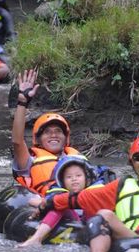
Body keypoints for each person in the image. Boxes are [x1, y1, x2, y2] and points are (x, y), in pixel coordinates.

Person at [41, 79, 139, 252]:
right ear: (132, 162)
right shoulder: (121, 186)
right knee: (103, 214)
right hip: (130, 238)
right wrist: (47, 203)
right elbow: (80, 199)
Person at [11, 69, 85, 197]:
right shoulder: (30, 161)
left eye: (58, 131)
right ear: (38, 140)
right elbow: (17, 141)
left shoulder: (77, 158)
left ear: (66, 138)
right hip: (47, 207)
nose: (53, 135)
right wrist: (22, 102)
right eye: (47, 132)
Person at [17, 155, 102, 247]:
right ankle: (36, 238)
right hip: (74, 220)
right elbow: (32, 201)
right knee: (59, 205)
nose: (74, 179)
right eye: (69, 177)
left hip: (90, 222)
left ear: (86, 178)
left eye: (78, 175)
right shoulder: (59, 195)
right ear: (63, 182)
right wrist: (43, 204)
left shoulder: (94, 192)